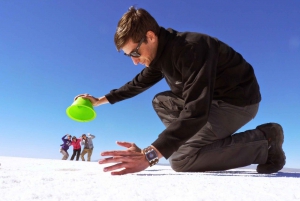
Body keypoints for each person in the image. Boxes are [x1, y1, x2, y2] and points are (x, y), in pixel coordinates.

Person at [74, 6, 286, 175]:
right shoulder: (159, 56)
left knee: (181, 160)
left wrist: (150, 154)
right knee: (161, 101)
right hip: (210, 103)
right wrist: (98, 100)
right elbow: (137, 84)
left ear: (150, 36)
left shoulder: (191, 49)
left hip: (238, 103)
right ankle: (189, 145)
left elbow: (196, 111)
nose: (135, 61)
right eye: (129, 55)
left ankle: (265, 141)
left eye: (135, 53)